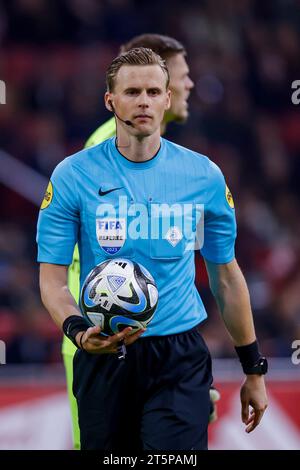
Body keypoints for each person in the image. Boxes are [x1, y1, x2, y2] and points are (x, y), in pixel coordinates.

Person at [37, 47, 268, 450]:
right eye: (131, 92)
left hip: (177, 356)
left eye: (152, 91)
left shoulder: (203, 177)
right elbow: (53, 277)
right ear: (110, 100)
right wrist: (76, 330)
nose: (143, 101)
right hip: (103, 352)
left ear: (166, 99)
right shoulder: (72, 176)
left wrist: (254, 368)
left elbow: (226, 277)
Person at [62, 33, 220, 450]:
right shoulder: (101, 152)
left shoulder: (189, 168)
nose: (189, 86)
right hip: (104, 331)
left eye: (156, 90)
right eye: (184, 76)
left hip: (157, 341)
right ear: (113, 99)